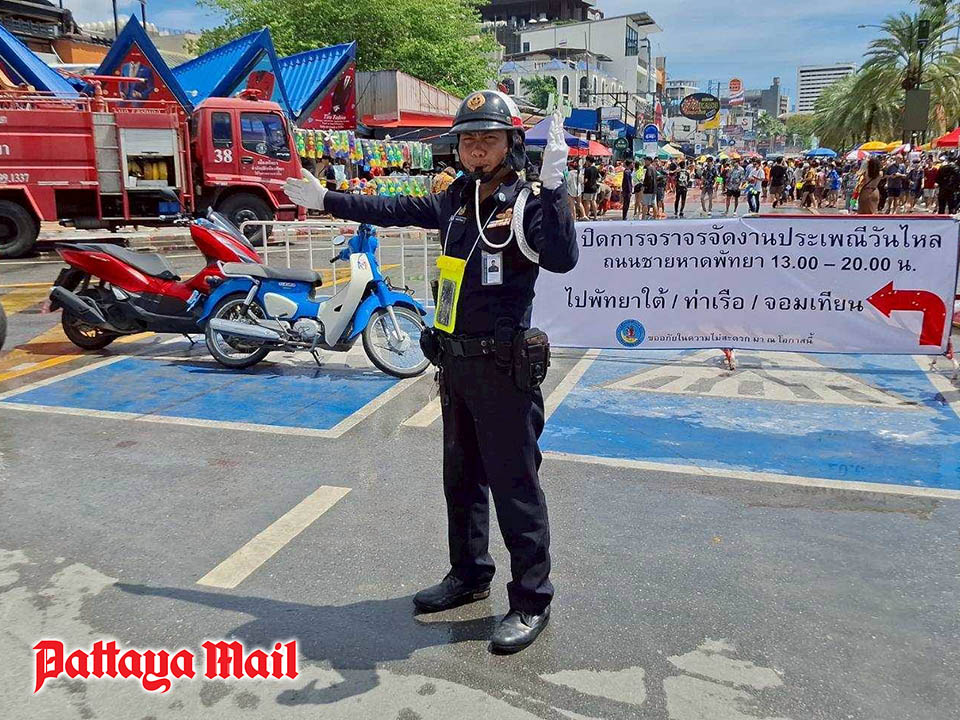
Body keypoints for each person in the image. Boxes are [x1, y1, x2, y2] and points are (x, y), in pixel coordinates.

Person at [284, 91, 577, 653]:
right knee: (461, 481)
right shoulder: (456, 199)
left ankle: (531, 598)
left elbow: (562, 258)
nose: (476, 148)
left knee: (515, 486)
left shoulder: (525, 202)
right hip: (455, 364)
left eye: (488, 138)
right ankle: (469, 574)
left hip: (503, 370)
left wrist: (555, 188)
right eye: (468, 139)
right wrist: (326, 198)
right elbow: (391, 209)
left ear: (511, 144)